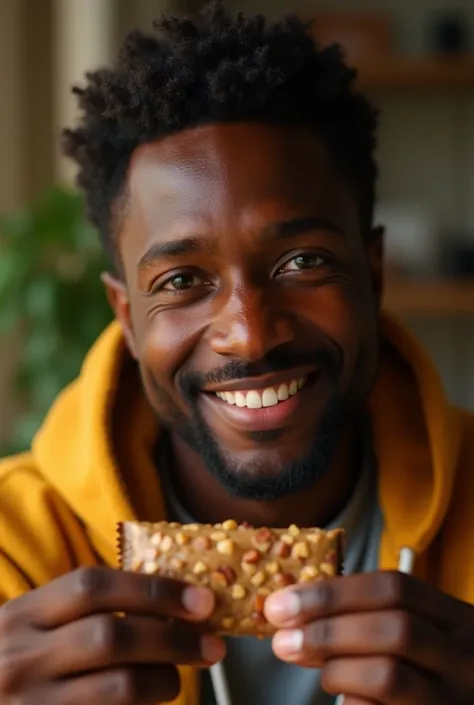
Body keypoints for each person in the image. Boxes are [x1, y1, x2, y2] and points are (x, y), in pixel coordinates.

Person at [0, 4, 473, 704]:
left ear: (373, 275)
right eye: (182, 281)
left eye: (303, 260)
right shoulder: (16, 546)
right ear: (127, 318)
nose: (250, 334)